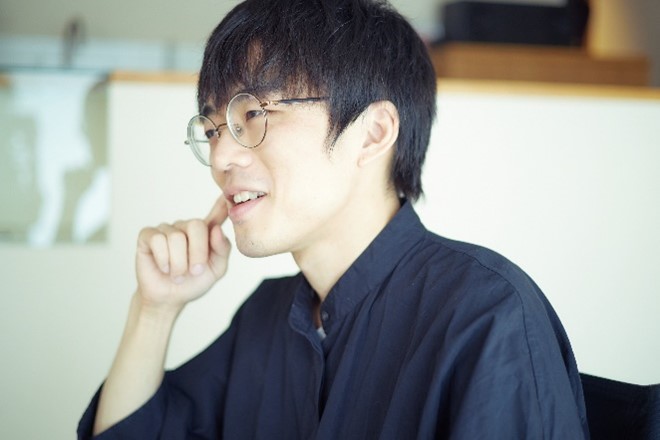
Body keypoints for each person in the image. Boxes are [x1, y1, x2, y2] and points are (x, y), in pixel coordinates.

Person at [78, 0, 589, 438]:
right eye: (213, 130)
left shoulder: (488, 314)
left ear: (373, 133)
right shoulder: (265, 317)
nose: (221, 157)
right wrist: (154, 310)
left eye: (252, 114)